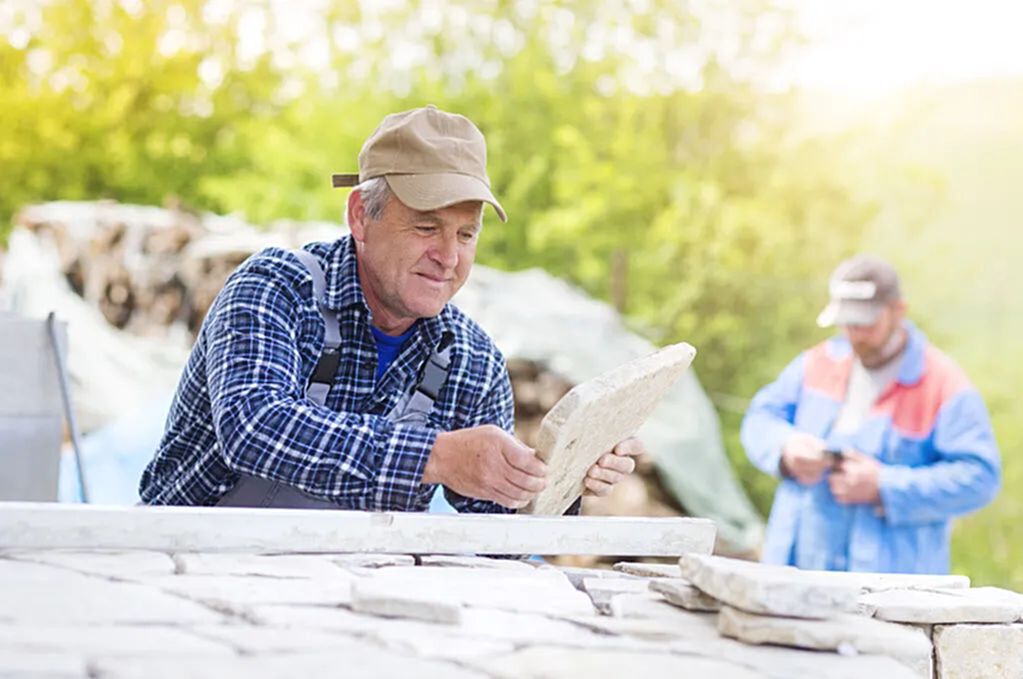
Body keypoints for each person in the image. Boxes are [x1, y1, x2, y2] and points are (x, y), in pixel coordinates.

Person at [140, 105, 643, 512]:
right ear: (361, 215)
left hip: (346, 601)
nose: (448, 257)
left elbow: (498, 541)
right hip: (184, 573)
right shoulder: (274, 288)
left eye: (465, 234)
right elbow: (254, 428)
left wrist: (564, 480)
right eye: (427, 228)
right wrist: (436, 456)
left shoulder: (471, 360)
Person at [741, 254, 1000, 573]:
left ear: (898, 311)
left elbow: (980, 478)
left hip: (891, 590)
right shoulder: (816, 363)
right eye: (848, 323)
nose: (856, 335)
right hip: (797, 571)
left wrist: (885, 485)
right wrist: (786, 447)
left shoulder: (944, 385)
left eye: (866, 324)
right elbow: (759, 418)